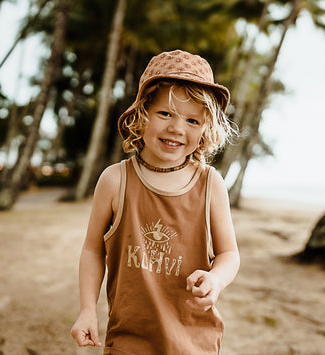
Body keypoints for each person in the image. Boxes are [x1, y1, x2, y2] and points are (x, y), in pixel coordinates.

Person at [70, 49, 240, 354]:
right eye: (165, 113)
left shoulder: (210, 183)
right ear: (141, 113)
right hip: (129, 341)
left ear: (204, 130)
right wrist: (87, 310)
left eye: (192, 120)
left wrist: (216, 280)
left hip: (194, 342)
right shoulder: (115, 180)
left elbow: (229, 254)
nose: (177, 128)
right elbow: (92, 250)